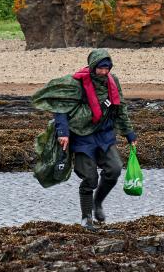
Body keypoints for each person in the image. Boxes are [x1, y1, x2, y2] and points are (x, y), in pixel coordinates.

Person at [38, 49, 136, 228]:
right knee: (90, 178)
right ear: (92, 67)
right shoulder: (76, 83)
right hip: (82, 136)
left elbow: (121, 109)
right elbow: (61, 108)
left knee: (114, 169)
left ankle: (98, 203)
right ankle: (86, 217)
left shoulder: (113, 82)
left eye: (107, 68)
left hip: (104, 134)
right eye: (100, 68)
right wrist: (63, 133)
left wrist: (129, 134)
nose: (104, 72)